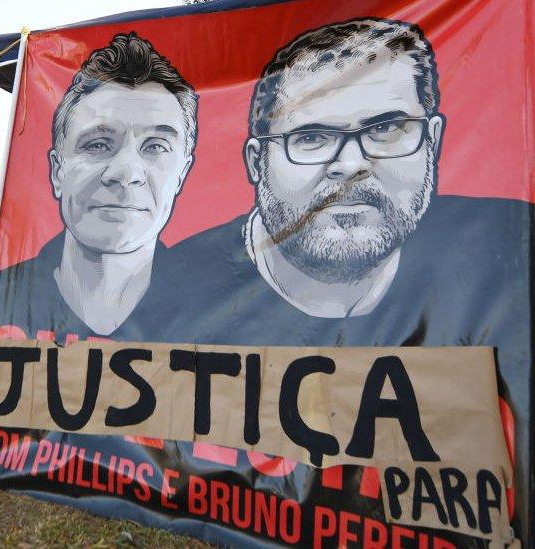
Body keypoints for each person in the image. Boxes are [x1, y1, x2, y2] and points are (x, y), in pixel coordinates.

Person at [168, 17, 531, 535]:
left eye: (385, 128)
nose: (353, 164)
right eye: (311, 136)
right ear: (256, 161)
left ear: (432, 142)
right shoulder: (171, 289)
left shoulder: (508, 256)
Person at [0, 32, 197, 340]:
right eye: (97, 144)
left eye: (156, 146)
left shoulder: (216, 305)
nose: (125, 172)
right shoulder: (6, 295)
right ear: (58, 171)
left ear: (181, 173)